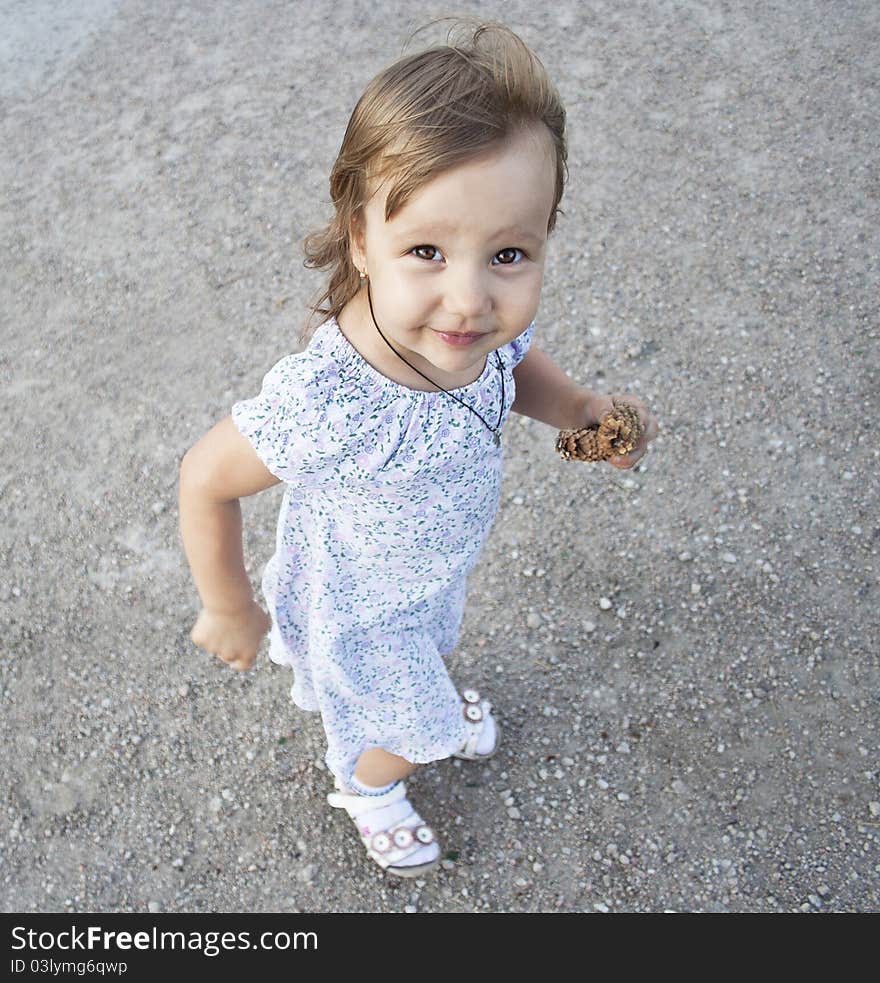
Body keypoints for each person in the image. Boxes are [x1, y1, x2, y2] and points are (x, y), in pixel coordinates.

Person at [178, 18, 658, 879]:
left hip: (427, 573)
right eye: (426, 250)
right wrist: (228, 604)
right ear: (361, 238)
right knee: (400, 729)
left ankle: (420, 705)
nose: (469, 300)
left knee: (433, 654)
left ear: (545, 233)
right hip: (362, 605)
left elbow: (514, 371)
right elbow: (207, 477)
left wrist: (582, 411)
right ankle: (371, 786)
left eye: (509, 253)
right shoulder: (332, 398)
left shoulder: (473, 336)